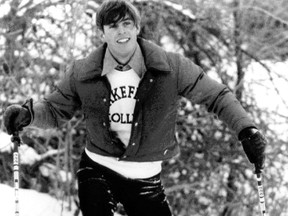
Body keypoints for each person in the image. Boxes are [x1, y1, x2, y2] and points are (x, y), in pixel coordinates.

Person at [3, 0, 267, 215]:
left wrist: (246, 129)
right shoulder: (84, 71)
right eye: (113, 26)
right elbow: (54, 109)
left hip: (146, 180)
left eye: (127, 24)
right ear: (102, 32)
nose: (122, 32)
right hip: (97, 169)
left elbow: (216, 96)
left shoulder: (170, 67)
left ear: (137, 28)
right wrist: (29, 114)